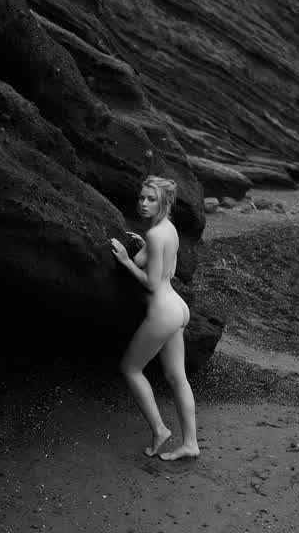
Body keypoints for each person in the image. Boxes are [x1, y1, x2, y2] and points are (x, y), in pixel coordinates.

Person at [110, 175, 200, 461]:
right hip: (177, 307)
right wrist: (144, 248)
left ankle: (160, 429)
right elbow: (168, 268)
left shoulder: (155, 235)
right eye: (142, 198)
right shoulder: (167, 229)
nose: (144, 203)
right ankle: (190, 443)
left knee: (130, 369)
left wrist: (127, 261)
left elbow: (151, 283)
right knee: (177, 377)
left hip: (163, 310)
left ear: (165, 202)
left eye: (152, 199)